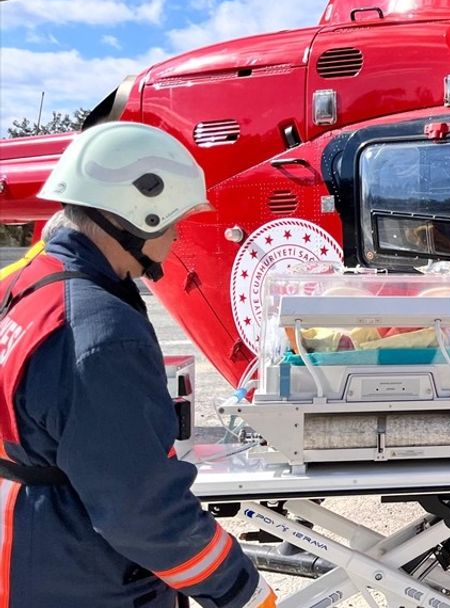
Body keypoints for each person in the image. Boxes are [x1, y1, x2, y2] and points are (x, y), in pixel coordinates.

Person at [0, 122, 275, 607]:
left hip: (33, 546)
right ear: (139, 216)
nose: (174, 237)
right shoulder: (101, 331)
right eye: (172, 222)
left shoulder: (26, 283)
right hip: (83, 574)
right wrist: (242, 590)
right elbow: (143, 511)